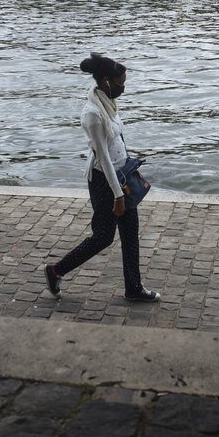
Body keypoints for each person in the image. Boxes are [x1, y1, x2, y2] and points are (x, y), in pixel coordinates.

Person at [44, 53, 160, 303]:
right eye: (121, 81)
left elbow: (117, 142)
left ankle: (134, 288)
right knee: (103, 237)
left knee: (130, 234)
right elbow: (103, 157)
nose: (123, 86)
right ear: (106, 81)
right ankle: (55, 271)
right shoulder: (93, 114)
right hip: (103, 182)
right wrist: (118, 194)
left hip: (122, 176)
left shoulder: (107, 103)